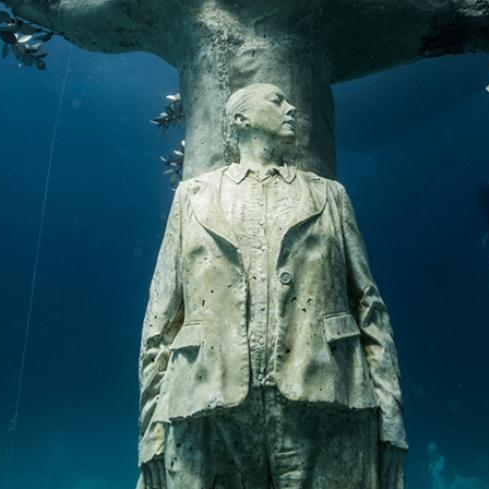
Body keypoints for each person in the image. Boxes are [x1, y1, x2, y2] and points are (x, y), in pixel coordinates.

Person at [139, 83, 406, 489]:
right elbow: (160, 320)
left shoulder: (330, 196)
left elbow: (370, 308)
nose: (292, 107)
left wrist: (391, 418)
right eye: (277, 100)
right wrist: (151, 434)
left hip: (326, 400)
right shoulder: (193, 198)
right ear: (241, 119)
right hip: (206, 402)